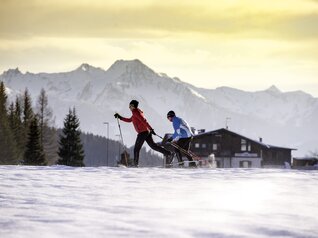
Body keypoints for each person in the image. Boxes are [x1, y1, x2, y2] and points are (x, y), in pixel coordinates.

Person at [114, 100, 172, 167]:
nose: (129, 107)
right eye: (129, 106)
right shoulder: (135, 113)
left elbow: (143, 120)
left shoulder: (136, 112)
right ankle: (168, 153)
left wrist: (151, 128)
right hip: (146, 132)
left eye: (130, 106)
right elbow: (130, 120)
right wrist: (120, 117)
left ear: (133, 106)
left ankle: (135, 164)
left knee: (136, 149)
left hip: (142, 133)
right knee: (153, 146)